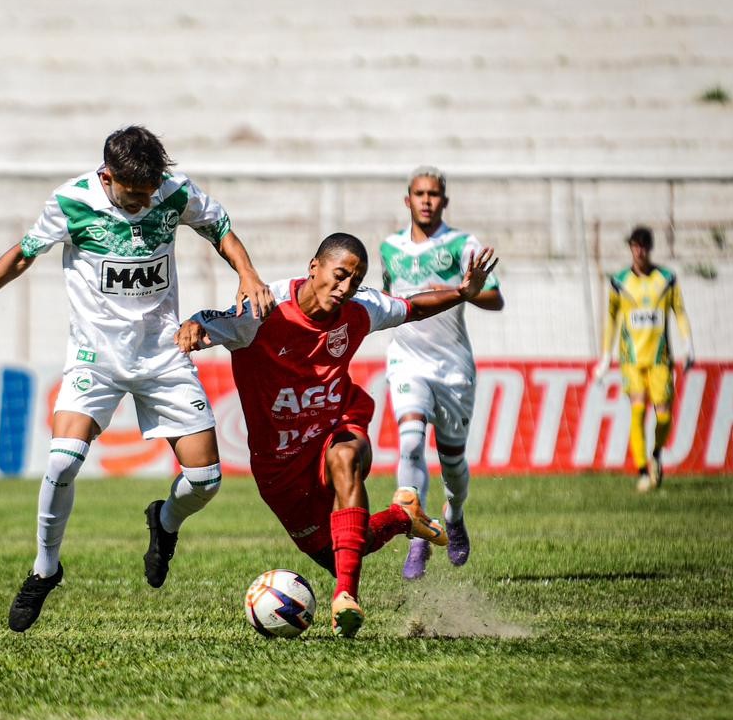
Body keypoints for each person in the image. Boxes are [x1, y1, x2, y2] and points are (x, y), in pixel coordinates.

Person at [0, 125, 275, 632]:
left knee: (206, 481)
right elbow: (21, 254)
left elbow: (220, 229)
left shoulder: (174, 191)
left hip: (162, 355)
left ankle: (164, 523)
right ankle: (44, 569)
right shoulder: (71, 202)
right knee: (62, 461)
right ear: (107, 177)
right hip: (93, 359)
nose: (144, 204)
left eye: (150, 193)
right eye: (132, 194)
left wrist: (247, 273)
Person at [176, 232, 497, 638]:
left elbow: (411, 307)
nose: (345, 289)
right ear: (315, 267)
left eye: (355, 282)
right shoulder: (262, 311)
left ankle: (346, 597)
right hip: (280, 467)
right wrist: (193, 325)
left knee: (345, 459)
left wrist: (463, 293)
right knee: (346, 549)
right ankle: (403, 516)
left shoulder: (360, 309)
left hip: (338, 424)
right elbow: (211, 321)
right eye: (340, 276)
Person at [379, 166, 505, 582]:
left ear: (444, 201)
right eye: (420, 193)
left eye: (434, 194)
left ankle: (454, 515)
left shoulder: (462, 244)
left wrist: (469, 291)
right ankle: (416, 534)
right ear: (407, 200)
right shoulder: (389, 248)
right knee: (411, 440)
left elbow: (495, 299)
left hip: (452, 365)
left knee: (452, 462)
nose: (427, 200)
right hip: (407, 359)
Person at [592, 225, 695, 492]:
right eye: (635, 246)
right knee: (637, 409)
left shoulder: (666, 279)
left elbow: (679, 312)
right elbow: (612, 320)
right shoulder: (619, 282)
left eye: (643, 246)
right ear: (630, 248)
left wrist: (688, 344)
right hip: (631, 359)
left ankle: (656, 454)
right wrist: (605, 358)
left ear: (650, 248)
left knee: (663, 415)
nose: (639, 251)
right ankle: (642, 470)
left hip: (660, 357)